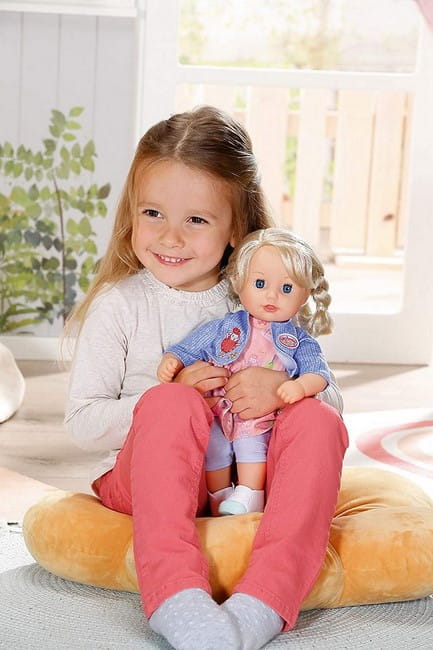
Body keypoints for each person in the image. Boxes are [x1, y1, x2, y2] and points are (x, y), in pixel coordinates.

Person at [64, 105, 348, 650]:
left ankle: (264, 601)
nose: (170, 237)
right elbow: (82, 423)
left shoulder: (265, 294)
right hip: (145, 480)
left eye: (195, 220)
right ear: (132, 212)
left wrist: (281, 393)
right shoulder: (121, 306)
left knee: (317, 421)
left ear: (235, 228)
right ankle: (175, 596)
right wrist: (166, 397)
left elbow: (331, 406)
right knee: (172, 405)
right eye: (153, 213)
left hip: (247, 480)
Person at [157, 228, 333, 517]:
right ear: (240, 283)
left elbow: (318, 373)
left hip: (257, 415)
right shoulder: (225, 326)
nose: (272, 295)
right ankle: (219, 496)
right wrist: (173, 360)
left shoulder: (299, 340)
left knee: (250, 445)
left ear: (306, 295)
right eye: (260, 283)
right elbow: (192, 347)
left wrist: (299, 386)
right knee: (214, 447)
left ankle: (251, 492)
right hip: (218, 409)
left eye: (287, 288)